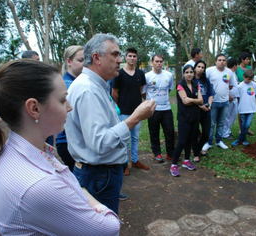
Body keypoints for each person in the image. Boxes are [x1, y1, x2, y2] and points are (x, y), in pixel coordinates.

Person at [0, 60, 121, 235]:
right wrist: (83, 193)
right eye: (62, 100)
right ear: (34, 108)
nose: (69, 107)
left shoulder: (13, 153)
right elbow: (109, 229)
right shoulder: (39, 187)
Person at [65, 34, 156, 215]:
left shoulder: (97, 85)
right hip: (99, 175)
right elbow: (100, 143)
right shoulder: (88, 90)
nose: (120, 60)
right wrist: (135, 118)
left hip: (100, 173)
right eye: (115, 54)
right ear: (96, 58)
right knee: (103, 227)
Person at [112, 47, 149, 175]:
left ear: (136, 58)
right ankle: (124, 163)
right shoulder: (119, 74)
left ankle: (135, 160)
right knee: (124, 139)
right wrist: (121, 106)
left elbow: (140, 91)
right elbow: (114, 93)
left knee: (135, 137)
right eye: (130, 56)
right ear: (125, 57)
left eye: (134, 56)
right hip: (124, 112)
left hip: (137, 111)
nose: (132, 58)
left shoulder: (140, 74)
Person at [55, 45, 84, 172]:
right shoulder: (68, 85)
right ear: (69, 61)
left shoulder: (76, 82)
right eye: (80, 60)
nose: (85, 64)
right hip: (68, 142)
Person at [170, 65, 202, 177]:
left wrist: (192, 100)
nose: (189, 74)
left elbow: (201, 100)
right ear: (184, 73)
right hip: (184, 117)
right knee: (182, 141)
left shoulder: (195, 84)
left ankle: (186, 160)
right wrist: (196, 100)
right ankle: (173, 165)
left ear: (194, 73)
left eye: (191, 72)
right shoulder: (180, 85)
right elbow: (185, 102)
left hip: (195, 117)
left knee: (191, 139)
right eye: (187, 72)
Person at [143, 54, 175, 163]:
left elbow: (169, 89)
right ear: (152, 63)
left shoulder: (169, 75)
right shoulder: (147, 76)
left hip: (166, 108)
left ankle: (170, 153)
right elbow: (144, 93)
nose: (159, 63)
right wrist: (151, 102)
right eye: (156, 61)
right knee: (154, 132)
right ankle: (157, 153)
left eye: (161, 61)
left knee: (169, 131)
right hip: (153, 109)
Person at [202, 54, 237, 151]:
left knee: (221, 122)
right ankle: (208, 142)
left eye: (224, 60)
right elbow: (204, 84)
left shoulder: (229, 72)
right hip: (213, 102)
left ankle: (219, 140)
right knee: (211, 123)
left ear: (226, 62)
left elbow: (230, 85)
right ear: (215, 61)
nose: (222, 62)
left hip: (225, 102)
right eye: (219, 60)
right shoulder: (209, 71)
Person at [192, 60, 213, 161]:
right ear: (195, 67)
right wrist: (200, 106)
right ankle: (196, 153)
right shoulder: (191, 80)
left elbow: (211, 94)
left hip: (206, 110)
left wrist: (209, 105)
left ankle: (199, 149)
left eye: (203, 67)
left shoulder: (206, 80)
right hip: (195, 110)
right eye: (199, 66)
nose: (200, 69)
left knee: (206, 133)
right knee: (195, 132)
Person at [232, 70, 256, 146]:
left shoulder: (254, 85)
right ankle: (244, 140)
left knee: (247, 125)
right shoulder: (240, 86)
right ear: (244, 76)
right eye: (247, 78)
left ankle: (238, 140)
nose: (249, 80)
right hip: (242, 109)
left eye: (250, 79)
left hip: (251, 108)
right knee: (243, 125)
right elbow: (238, 97)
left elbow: (255, 95)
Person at [222, 58, 239, 140]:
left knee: (233, 116)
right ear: (235, 66)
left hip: (235, 98)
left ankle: (228, 131)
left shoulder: (233, 73)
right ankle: (224, 133)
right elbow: (224, 86)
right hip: (229, 98)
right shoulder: (227, 74)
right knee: (226, 116)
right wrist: (228, 96)